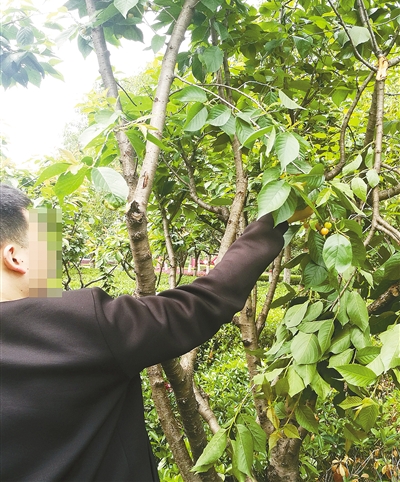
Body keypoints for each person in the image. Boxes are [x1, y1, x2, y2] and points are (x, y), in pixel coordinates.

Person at [0, 183, 298, 481]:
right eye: (42, 246)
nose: (53, 256)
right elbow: (202, 303)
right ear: (15, 257)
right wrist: (275, 217)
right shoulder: (75, 323)